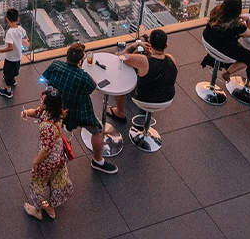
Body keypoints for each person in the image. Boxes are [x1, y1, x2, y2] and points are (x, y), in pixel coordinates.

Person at [41, 43, 117, 174]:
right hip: (78, 111)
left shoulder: (55, 65)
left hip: (56, 108)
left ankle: (54, 152)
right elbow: (92, 87)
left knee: (55, 129)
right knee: (98, 130)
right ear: (81, 61)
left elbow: (44, 78)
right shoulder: (84, 78)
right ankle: (98, 161)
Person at [20, 91, 73, 221]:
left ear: (48, 106)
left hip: (47, 160)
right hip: (58, 155)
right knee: (56, 179)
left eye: (43, 101)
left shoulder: (47, 128)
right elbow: (37, 112)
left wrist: (36, 162)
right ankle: (51, 206)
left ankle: (37, 209)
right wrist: (27, 112)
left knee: (37, 182)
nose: (40, 102)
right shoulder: (57, 112)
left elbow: (46, 150)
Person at [110, 28, 177, 120]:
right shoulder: (171, 58)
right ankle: (147, 118)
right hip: (167, 99)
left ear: (149, 43)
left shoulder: (143, 60)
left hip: (144, 100)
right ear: (166, 45)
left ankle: (119, 112)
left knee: (120, 80)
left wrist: (136, 44)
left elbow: (120, 57)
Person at [201, 0, 250, 95]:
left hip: (209, 41)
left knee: (236, 46)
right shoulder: (237, 25)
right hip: (223, 49)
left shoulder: (215, 11)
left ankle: (225, 69)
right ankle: (231, 74)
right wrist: (247, 20)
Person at [0, 8, 29, 99]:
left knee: (7, 74)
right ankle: (13, 80)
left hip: (10, 58)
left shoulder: (9, 33)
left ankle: (8, 91)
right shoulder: (21, 29)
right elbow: (26, 38)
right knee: (14, 70)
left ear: (7, 19)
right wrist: (23, 42)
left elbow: (10, 48)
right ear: (18, 19)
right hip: (18, 56)